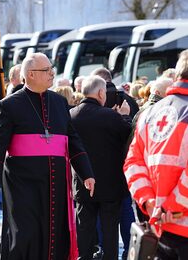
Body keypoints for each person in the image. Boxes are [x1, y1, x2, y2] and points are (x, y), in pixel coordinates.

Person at [0, 52, 95, 260]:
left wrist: (86, 172)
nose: (52, 73)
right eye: (47, 70)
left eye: (51, 69)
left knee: (55, 234)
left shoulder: (60, 103)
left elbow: (73, 139)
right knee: (26, 234)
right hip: (22, 184)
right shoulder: (9, 105)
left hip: (55, 183)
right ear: (31, 74)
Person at [124, 49, 188, 259]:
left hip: (158, 226)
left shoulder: (149, 113)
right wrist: (170, 207)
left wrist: (151, 203)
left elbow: (133, 163)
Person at [70, 76, 132, 260]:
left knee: (84, 228)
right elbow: (128, 136)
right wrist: (126, 116)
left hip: (81, 182)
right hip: (110, 184)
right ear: (100, 93)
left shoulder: (71, 114)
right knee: (110, 229)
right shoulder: (111, 116)